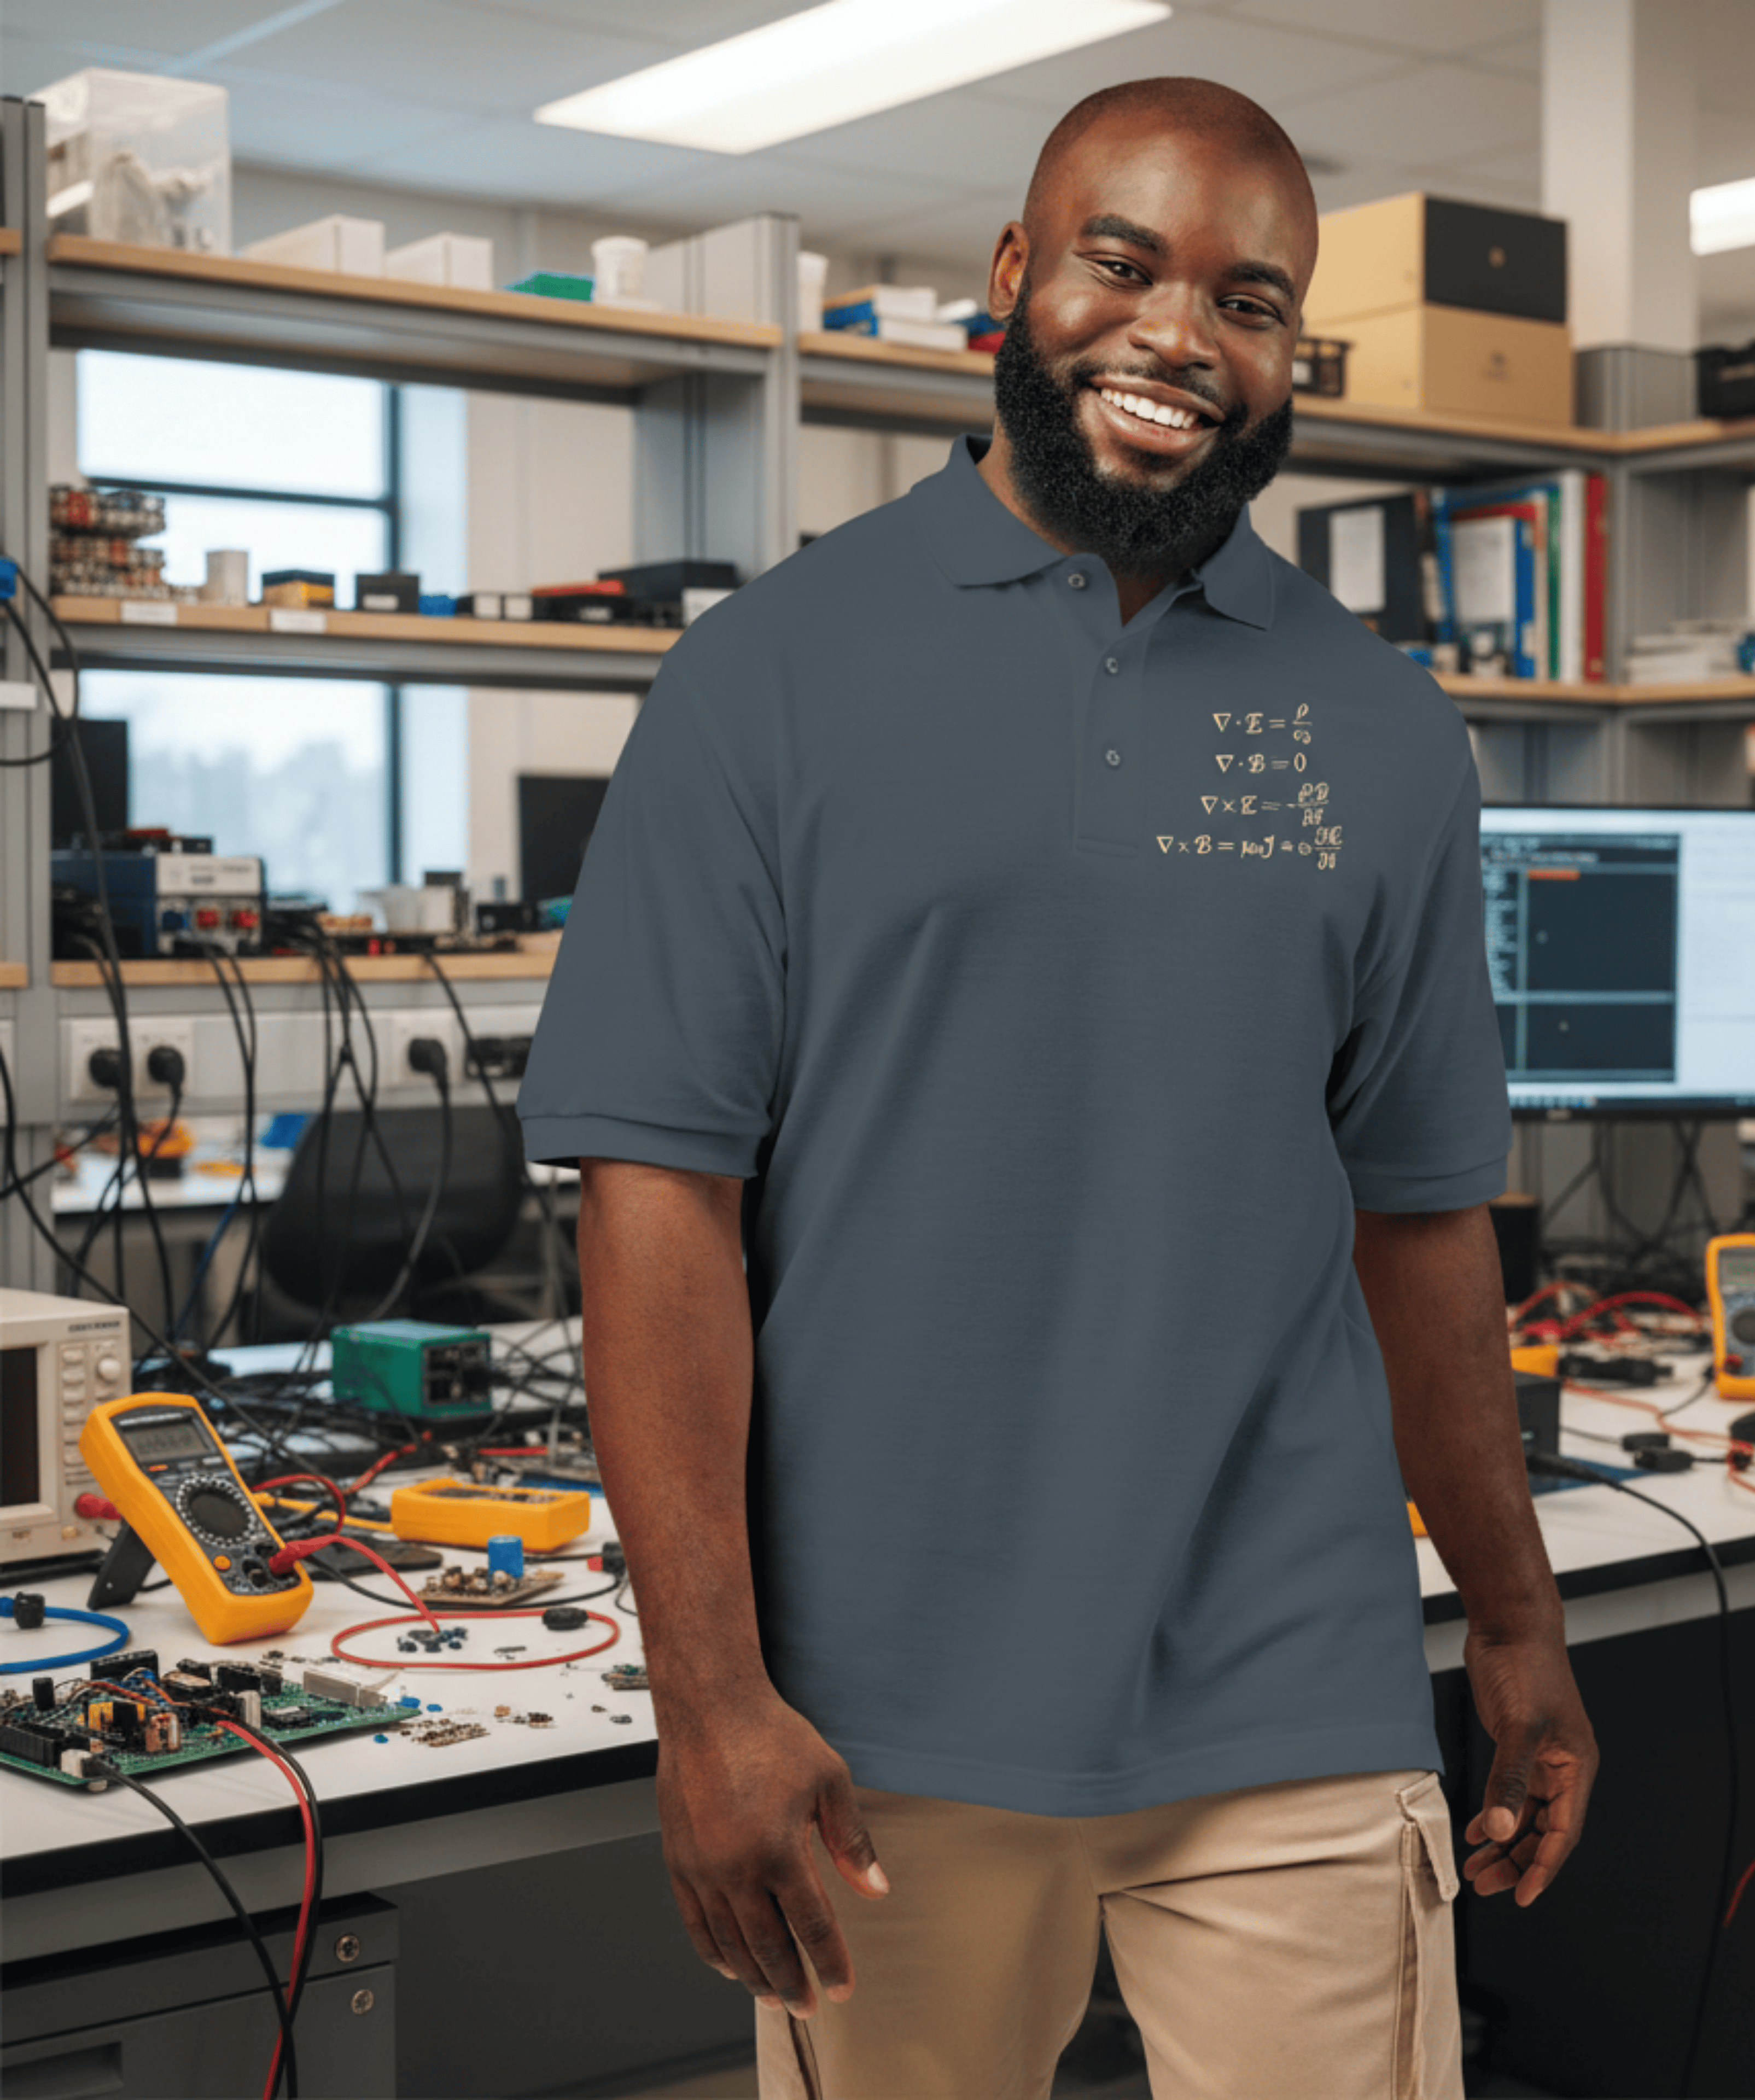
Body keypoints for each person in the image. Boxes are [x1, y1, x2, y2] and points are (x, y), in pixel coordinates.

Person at [517, 74, 1597, 2100]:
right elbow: (661, 1199)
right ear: (1016, 278)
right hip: (880, 1707)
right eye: (1127, 261)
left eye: (1252, 300)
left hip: (1295, 1676)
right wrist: (709, 1695)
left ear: (1294, 359)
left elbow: (1424, 1211)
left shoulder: (1380, 728)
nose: (1182, 333)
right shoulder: (767, 674)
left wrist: (1520, 1620)